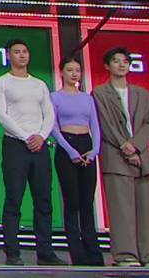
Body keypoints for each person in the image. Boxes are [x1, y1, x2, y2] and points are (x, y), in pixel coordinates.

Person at [0, 39, 63, 266]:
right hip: (15, 145)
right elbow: (2, 115)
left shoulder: (39, 84)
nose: (21, 55)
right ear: (8, 56)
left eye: (24, 51)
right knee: (14, 198)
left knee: (44, 199)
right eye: (16, 52)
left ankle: (45, 252)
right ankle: (12, 252)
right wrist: (26, 137)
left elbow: (49, 113)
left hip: (40, 146)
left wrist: (41, 136)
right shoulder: (1, 83)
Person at [92, 47, 149, 268]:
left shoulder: (144, 94)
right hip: (116, 156)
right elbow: (105, 123)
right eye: (116, 61)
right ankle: (125, 255)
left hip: (142, 157)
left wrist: (135, 146)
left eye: (125, 61)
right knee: (121, 210)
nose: (121, 64)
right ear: (107, 66)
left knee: (145, 210)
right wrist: (125, 146)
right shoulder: (99, 93)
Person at [50, 57, 104, 266]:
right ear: (61, 73)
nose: (74, 74)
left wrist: (94, 151)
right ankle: (78, 255)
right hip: (67, 146)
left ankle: (95, 255)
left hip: (87, 145)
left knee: (86, 202)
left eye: (78, 70)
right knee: (71, 201)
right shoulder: (55, 97)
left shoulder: (87, 98)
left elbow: (95, 125)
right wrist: (71, 151)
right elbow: (54, 127)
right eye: (70, 70)